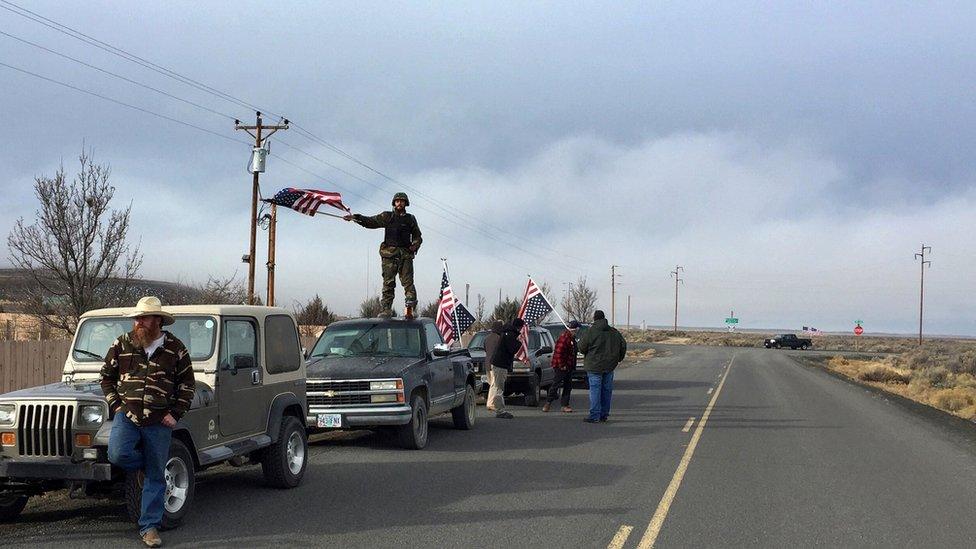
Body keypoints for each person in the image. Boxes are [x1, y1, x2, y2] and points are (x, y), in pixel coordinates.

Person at [101, 296, 195, 547]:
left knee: (156, 474)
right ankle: (144, 464)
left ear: (158, 321)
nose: (138, 322)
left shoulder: (176, 348)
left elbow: (187, 385)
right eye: (136, 318)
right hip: (127, 416)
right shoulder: (122, 343)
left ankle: (149, 527)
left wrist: (175, 413)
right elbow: (106, 378)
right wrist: (116, 405)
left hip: (158, 420)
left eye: (143, 318)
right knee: (118, 454)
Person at [344, 192, 423, 318]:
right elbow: (371, 221)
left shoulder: (410, 219)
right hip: (389, 255)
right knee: (388, 283)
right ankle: (386, 309)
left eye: (402, 201)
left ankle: (410, 308)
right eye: (397, 201)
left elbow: (418, 235)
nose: (399, 203)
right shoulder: (387, 216)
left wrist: (415, 245)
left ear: (406, 203)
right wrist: (355, 218)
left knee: (408, 283)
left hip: (405, 255)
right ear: (394, 203)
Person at [577, 310, 626, 424]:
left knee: (595, 390)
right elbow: (623, 345)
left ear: (594, 318)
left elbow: (582, 348)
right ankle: (604, 414)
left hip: (594, 366)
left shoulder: (590, 332)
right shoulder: (614, 332)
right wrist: (619, 358)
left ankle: (594, 415)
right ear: (604, 318)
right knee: (606, 390)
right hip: (609, 366)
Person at [489, 318, 525, 419]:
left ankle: (499, 408)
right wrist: (520, 342)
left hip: (499, 363)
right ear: (518, 327)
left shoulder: (506, 332)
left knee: (498, 387)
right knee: (499, 388)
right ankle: (500, 410)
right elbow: (512, 349)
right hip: (500, 364)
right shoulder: (509, 335)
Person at [543, 320, 580, 413]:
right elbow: (559, 352)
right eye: (577, 329)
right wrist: (562, 365)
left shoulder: (572, 339)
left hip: (569, 366)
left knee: (568, 385)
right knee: (556, 384)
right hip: (561, 366)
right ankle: (548, 403)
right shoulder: (564, 338)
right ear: (574, 329)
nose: (577, 331)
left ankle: (565, 405)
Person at [483, 320, 504, 412]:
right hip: (495, 364)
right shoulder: (499, 338)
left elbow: (485, 350)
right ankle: (491, 403)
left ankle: (492, 402)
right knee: (495, 384)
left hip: (487, 363)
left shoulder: (486, 338)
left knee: (491, 383)